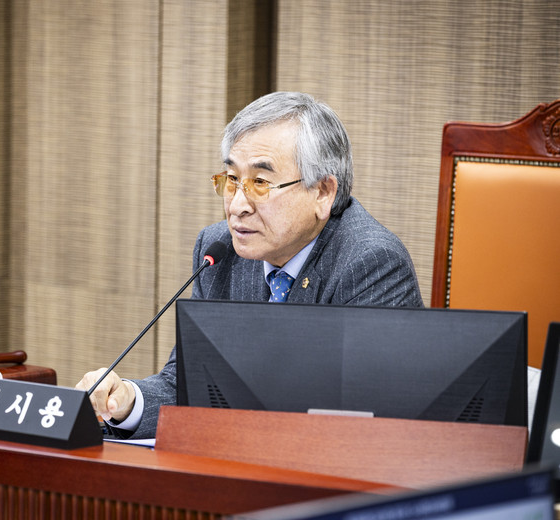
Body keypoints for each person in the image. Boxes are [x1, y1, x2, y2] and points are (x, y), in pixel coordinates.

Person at [76, 92, 423, 439]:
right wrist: (126, 401)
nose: (237, 206)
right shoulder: (220, 251)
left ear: (322, 192)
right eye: (231, 179)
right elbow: (188, 387)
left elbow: (373, 422)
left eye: (259, 182)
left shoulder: (371, 264)